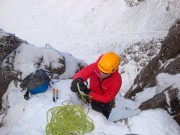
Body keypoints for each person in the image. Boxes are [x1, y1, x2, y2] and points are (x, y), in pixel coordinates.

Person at [70, 51, 122, 119]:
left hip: (104, 103)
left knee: (101, 119)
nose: (101, 74)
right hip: (91, 94)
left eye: (105, 73)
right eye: (100, 70)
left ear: (113, 71)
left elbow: (106, 98)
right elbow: (83, 73)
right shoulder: (96, 66)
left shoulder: (117, 81)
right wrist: (77, 80)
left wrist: (89, 93)